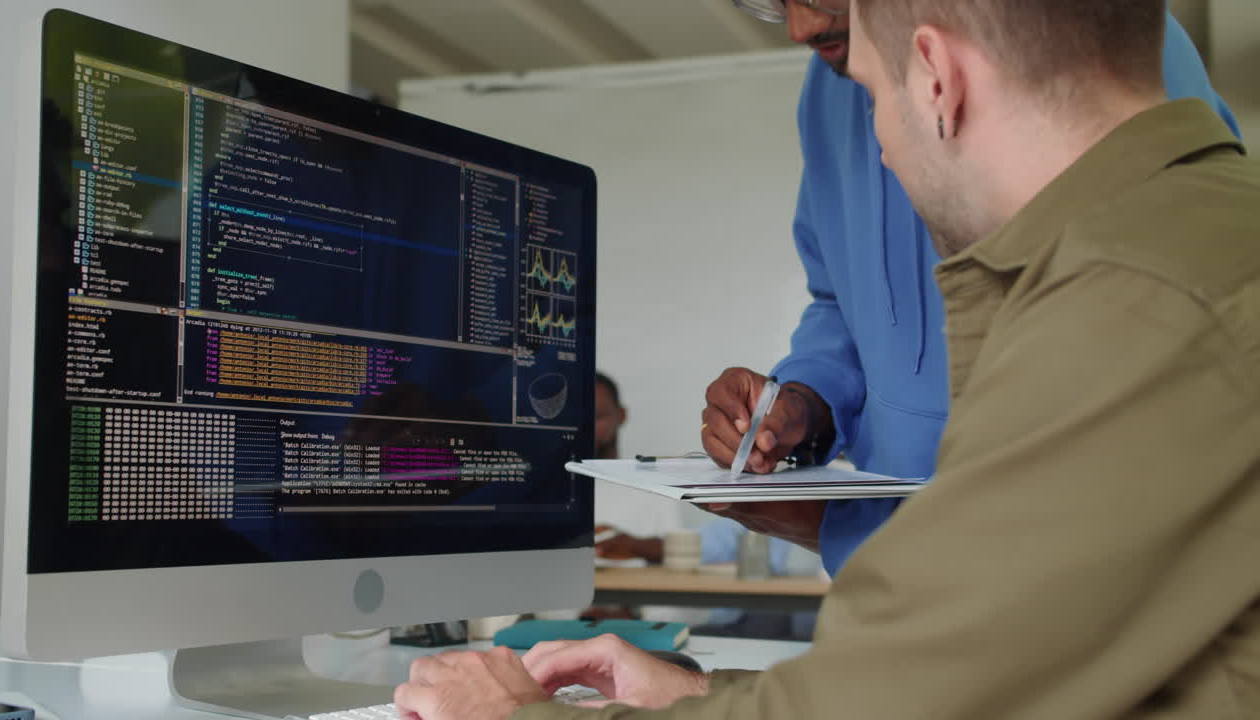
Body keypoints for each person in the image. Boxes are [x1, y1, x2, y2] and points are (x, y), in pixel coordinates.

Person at [392, 1, 1260, 717]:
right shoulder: (1161, 251)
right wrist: (699, 694)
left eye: (873, 94)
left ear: (937, 76)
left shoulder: (1128, 310)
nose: (873, 144)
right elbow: (948, 683)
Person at [697, 0, 1241, 578]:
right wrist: (805, 404)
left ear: (942, 76)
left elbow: (1152, 358)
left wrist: (840, 535)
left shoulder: (1089, 40)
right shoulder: (829, 88)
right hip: (924, 568)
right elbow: (842, 301)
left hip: (1034, 562)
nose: (800, 27)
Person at [596, 516, 822, 641]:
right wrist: (639, 546)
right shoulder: (787, 493)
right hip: (760, 621)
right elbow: (717, 540)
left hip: (823, 632)